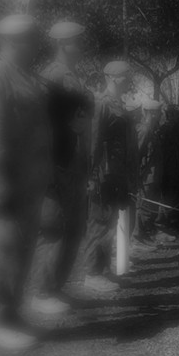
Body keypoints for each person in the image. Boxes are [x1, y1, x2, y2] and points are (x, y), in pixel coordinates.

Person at [0, 14, 52, 349]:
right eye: (30, 39)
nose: (35, 45)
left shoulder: (27, 75)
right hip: (6, 179)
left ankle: (14, 312)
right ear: (12, 41)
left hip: (31, 180)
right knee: (3, 249)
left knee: (23, 247)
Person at [32, 20, 92, 316]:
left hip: (72, 161)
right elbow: (41, 126)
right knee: (53, 228)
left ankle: (57, 287)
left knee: (72, 227)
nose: (81, 47)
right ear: (61, 44)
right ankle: (43, 292)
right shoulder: (51, 78)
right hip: (55, 162)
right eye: (76, 42)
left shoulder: (72, 77)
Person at [83, 60, 137, 293]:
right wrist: (92, 174)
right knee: (99, 223)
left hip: (117, 173)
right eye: (126, 76)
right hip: (103, 174)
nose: (129, 81)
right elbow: (93, 141)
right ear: (113, 77)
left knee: (111, 223)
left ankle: (102, 271)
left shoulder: (119, 104)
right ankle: (92, 273)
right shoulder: (101, 103)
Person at [133, 99, 164, 252]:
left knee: (148, 207)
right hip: (145, 175)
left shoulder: (152, 130)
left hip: (152, 174)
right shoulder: (144, 130)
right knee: (141, 206)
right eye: (158, 112)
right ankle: (136, 238)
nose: (160, 115)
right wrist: (137, 176)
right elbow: (137, 154)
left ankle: (143, 236)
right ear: (151, 113)